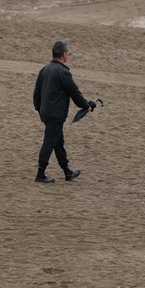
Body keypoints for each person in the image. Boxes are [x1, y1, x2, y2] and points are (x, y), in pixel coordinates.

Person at [33, 40, 92, 183]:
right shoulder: (63, 72)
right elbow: (74, 93)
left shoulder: (45, 69)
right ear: (64, 54)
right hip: (55, 115)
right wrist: (86, 106)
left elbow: (36, 93)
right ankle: (40, 174)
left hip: (46, 112)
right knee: (49, 142)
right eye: (68, 53)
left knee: (58, 142)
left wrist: (39, 109)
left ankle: (67, 172)